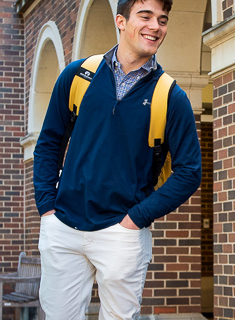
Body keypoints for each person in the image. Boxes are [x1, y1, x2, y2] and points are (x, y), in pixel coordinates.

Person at [30, 0, 201, 317]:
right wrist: (47, 207)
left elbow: (189, 172)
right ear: (121, 21)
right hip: (63, 227)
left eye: (162, 20)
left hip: (121, 233)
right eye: (145, 16)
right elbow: (49, 141)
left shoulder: (170, 95)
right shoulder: (78, 75)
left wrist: (136, 218)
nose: (155, 26)